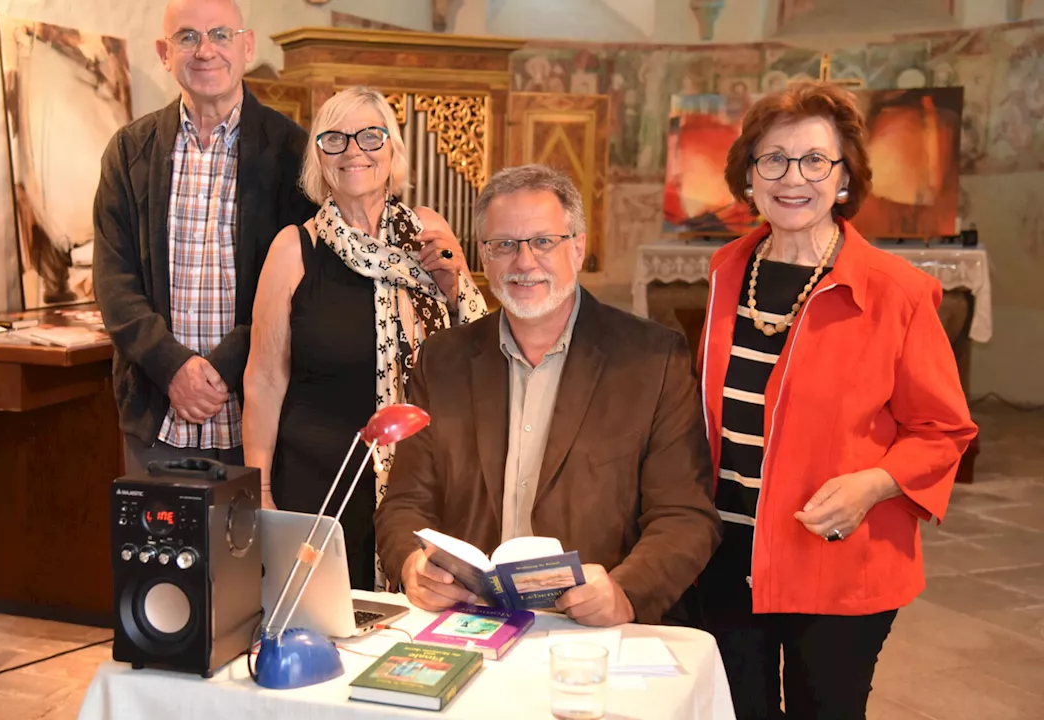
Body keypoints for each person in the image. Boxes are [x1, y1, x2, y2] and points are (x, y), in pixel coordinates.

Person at [697, 81, 978, 719]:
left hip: (836, 558)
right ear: (749, 176)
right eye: (773, 158)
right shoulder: (726, 270)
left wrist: (875, 483)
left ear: (844, 177)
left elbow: (943, 429)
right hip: (726, 549)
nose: (793, 177)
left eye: (815, 160)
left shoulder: (896, 292)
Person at [374, 165, 720, 625]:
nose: (523, 262)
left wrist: (625, 591)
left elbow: (685, 515)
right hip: (474, 620)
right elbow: (404, 502)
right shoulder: (443, 361)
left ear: (577, 248)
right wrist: (411, 564)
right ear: (484, 255)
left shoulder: (652, 360)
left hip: (592, 631)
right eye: (504, 245)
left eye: (543, 241)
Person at [242, 87, 487, 591]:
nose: (354, 150)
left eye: (370, 136)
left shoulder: (429, 231)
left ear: (393, 150)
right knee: (327, 633)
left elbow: (479, 348)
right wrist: (260, 491)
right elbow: (265, 380)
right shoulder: (294, 249)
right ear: (318, 158)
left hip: (421, 481)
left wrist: (456, 284)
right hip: (320, 484)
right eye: (335, 139)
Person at [94, 0, 315, 473]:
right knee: (157, 549)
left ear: (247, 45)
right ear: (164, 52)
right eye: (188, 37)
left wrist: (223, 367)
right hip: (157, 415)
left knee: (255, 550)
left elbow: (303, 288)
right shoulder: (129, 151)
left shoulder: (293, 153)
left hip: (258, 418)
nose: (205, 50)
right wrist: (172, 367)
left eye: (220, 34)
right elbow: (114, 282)